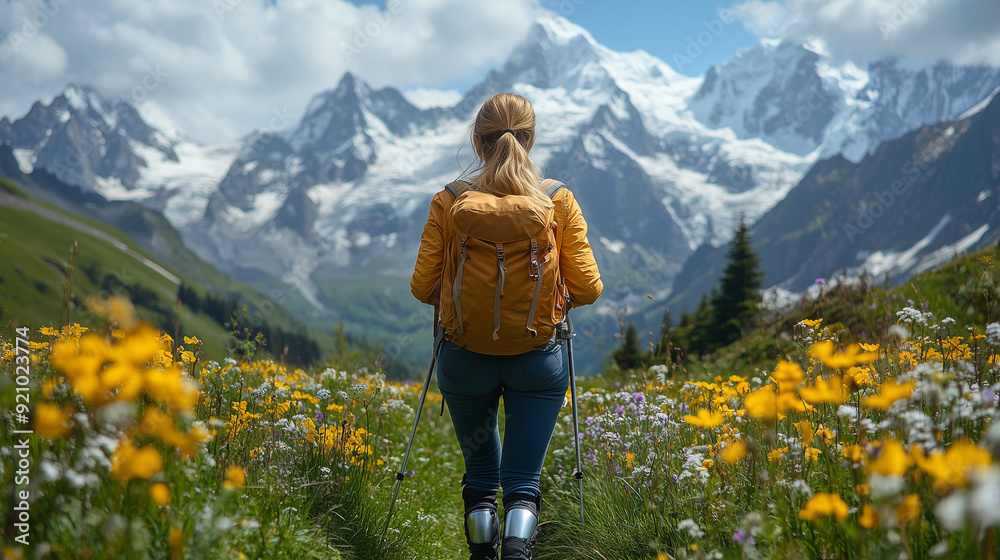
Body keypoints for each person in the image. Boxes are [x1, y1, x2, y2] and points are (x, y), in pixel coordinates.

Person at [410, 92, 602, 560]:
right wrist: (552, 301)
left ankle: (481, 552)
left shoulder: (449, 201)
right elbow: (590, 288)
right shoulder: (556, 200)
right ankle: (519, 550)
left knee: (480, 478)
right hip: (537, 361)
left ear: (477, 143)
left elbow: (422, 287)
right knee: (522, 482)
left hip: (463, 360)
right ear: (531, 141)